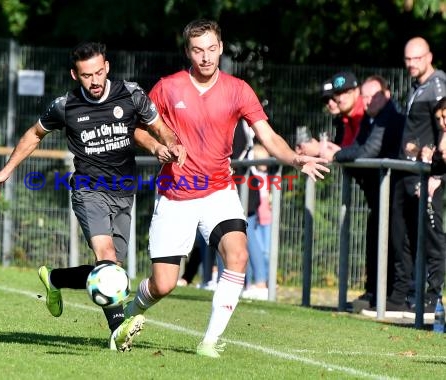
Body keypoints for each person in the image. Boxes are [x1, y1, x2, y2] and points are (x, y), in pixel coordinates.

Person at [123, 19, 329, 358]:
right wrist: (156, 147)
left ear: (220, 48)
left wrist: (294, 159)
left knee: (239, 254)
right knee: (164, 283)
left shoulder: (238, 89)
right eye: (198, 50)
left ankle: (209, 342)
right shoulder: (168, 87)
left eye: (211, 49)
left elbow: (266, 134)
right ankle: (131, 310)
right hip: (176, 195)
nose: (205, 57)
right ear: (188, 52)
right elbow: (140, 129)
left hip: (219, 191)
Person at [0, 42, 186, 352]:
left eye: (98, 72)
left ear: (106, 66)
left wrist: (168, 146)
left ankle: (55, 278)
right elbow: (33, 135)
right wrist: (5, 171)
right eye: (86, 75)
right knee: (107, 258)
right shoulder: (65, 106)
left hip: (124, 191)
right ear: (74, 75)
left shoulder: (131, 94)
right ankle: (119, 330)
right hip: (88, 190)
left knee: (112, 270)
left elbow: (158, 128)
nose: (94, 81)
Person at [321, 75, 405, 312]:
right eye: (332, 97)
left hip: (394, 189)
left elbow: (367, 150)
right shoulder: (367, 118)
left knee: (397, 243)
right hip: (379, 191)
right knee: (377, 238)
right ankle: (376, 292)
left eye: (343, 94)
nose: (334, 101)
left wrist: (334, 154)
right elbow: (357, 148)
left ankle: (398, 296)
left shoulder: (376, 118)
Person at [386, 37, 446, 316]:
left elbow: (442, 130)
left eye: (417, 58)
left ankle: (433, 300)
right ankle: (405, 296)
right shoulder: (417, 87)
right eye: (407, 59)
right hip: (408, 172)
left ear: (429, 57)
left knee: (433, 238)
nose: (411, 64)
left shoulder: (437, 86)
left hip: (429, 176)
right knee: (404, 237)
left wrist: (437, 172)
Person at [241, 143, 274, 301]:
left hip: (261, 217)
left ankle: (262, 282)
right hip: (257, 215)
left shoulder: (258, 176)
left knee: (260, 250)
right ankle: (252, 283)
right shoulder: (253, 173)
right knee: (250, 247)